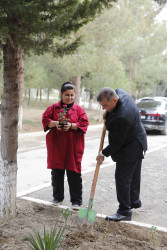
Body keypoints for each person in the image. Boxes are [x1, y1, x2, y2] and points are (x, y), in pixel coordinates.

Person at [96, 87, 147, 221]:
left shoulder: (123, 116)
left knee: (122, 178)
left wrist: (103, 153)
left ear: (115, 99)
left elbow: (117, 142)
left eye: (106, 105)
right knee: (133, 174)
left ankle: (124, 211)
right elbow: (115, 98)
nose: (104, 109)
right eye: (102, 106)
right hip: (137, 139)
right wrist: (108, 112)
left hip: (132, 146)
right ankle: (134, 201)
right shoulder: (120, 92)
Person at [42, 82, 89, 210]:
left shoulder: (79, 110)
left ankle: (76, 201)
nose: (69, 98)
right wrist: (54, 123)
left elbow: (84, 123)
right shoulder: (53, 108)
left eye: (72, 95)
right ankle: (57, 198)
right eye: (67, 95)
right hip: (57, 146)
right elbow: (45, 119)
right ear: (61, 94)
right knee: (57, 173)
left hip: (73, 146)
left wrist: (72, 126)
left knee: (74, 173)